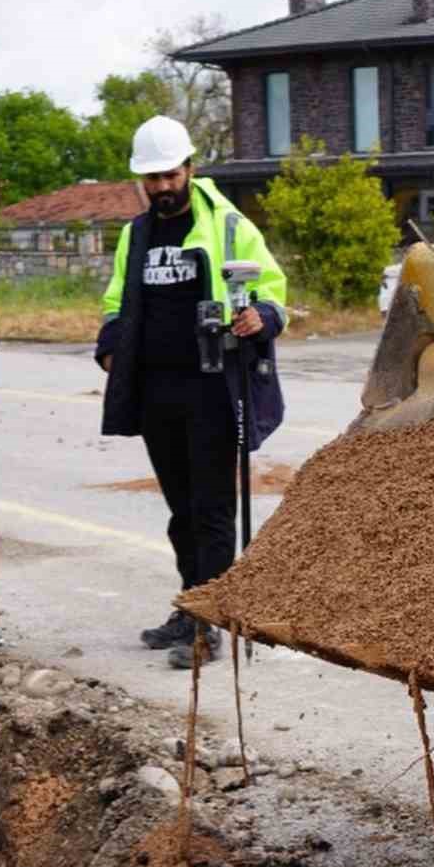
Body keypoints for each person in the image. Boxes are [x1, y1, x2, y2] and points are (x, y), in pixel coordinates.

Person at [95, 116, 288, 669]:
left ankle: (209, 623)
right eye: (150, 178)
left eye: (169, 174)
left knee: (211, 510)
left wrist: (261, 318)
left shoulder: (229, 225)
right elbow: (115, 302)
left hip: (212, 389)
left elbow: (271, 291)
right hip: (157, 392)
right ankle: (189, 606)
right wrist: (110, 350)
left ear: (189, 169)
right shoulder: (137, 233)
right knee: (181, 511)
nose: (160, 187)